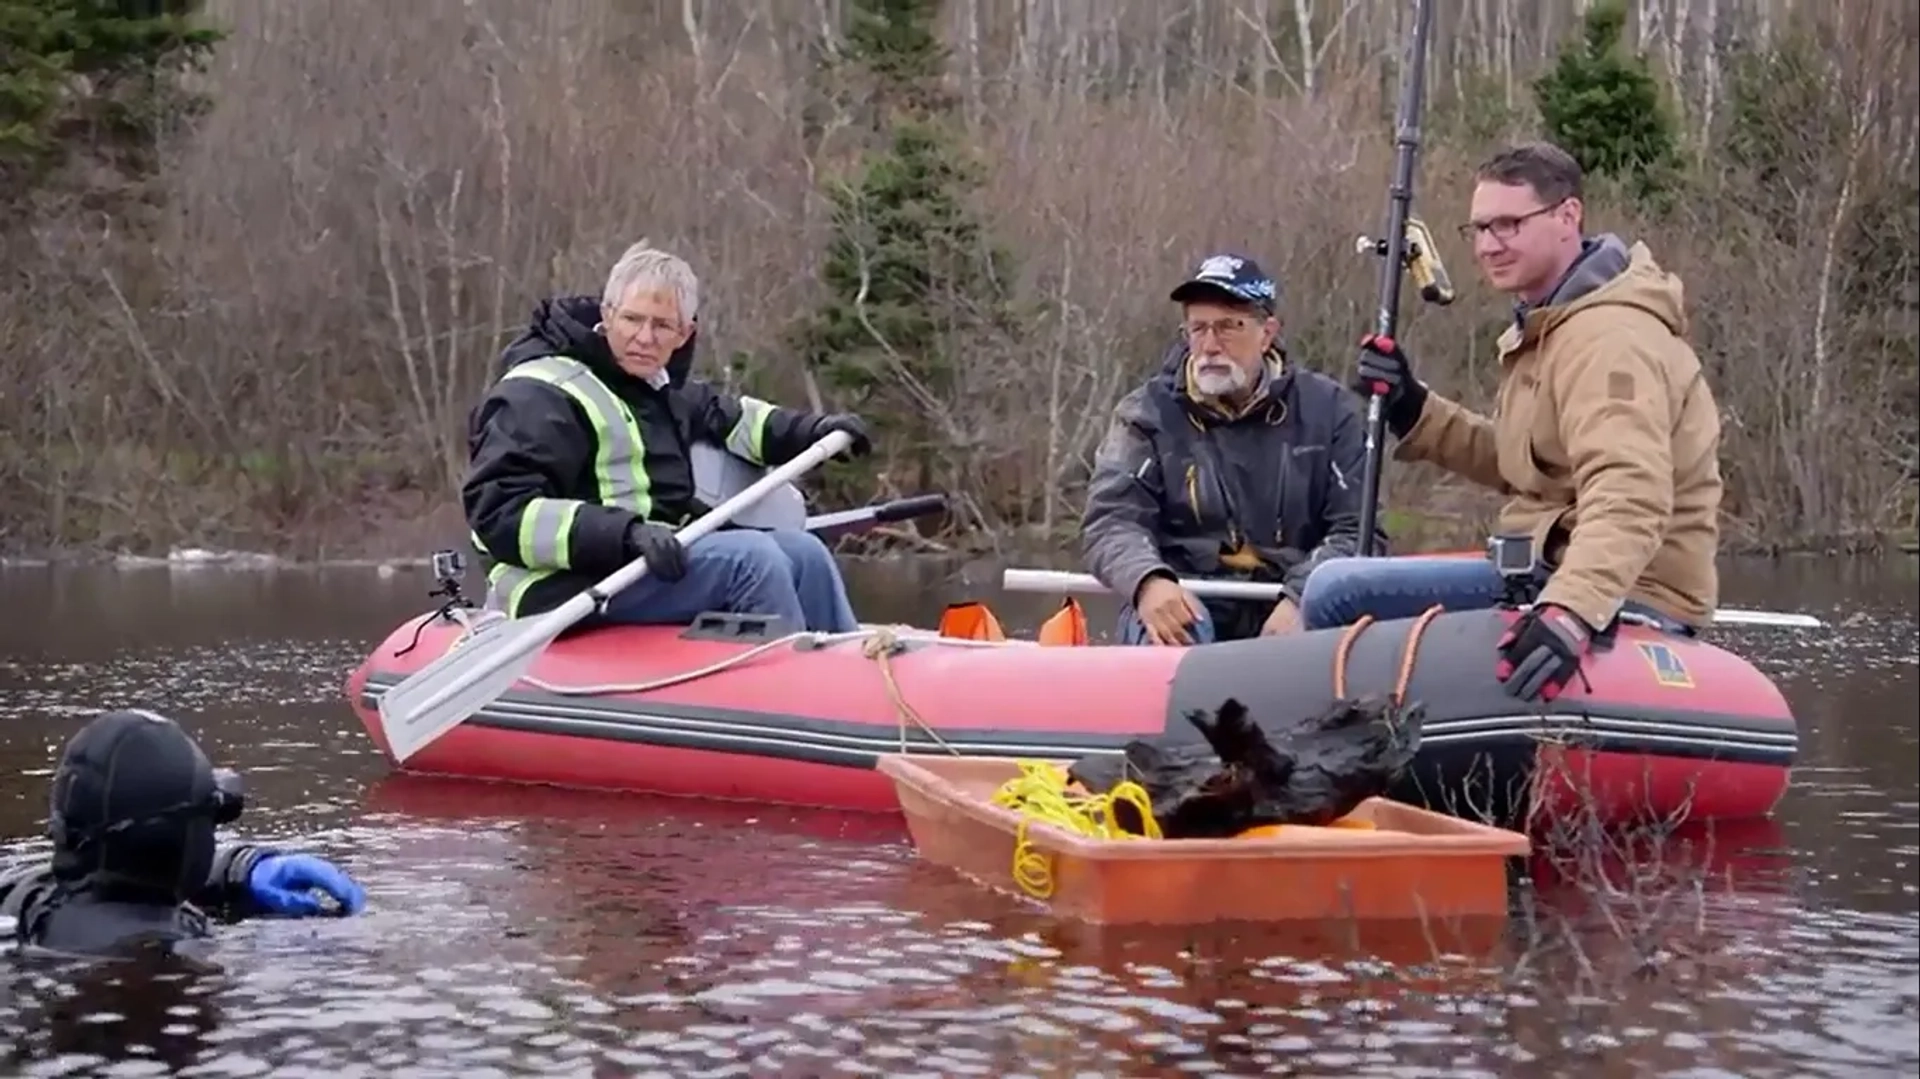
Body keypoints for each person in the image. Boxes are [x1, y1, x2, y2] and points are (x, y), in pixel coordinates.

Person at [1299, 141, 1724, 703]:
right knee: (1338, 583)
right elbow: (1526, 463)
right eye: (1477, 229)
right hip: (1546, 567)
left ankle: (1354, 743)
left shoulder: (1609, 341)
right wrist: (1412, 407)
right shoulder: (1555, 327)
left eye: (1508, 225)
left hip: (1627, 588)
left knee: (1335, 591)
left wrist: (1571, 611)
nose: (1488, 245)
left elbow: (1630, 492)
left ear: (1568, 216)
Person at [463, 242, 873, 633]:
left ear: (684, 334)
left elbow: (738, 420)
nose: (645, 338)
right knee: (753, 560)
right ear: (607, 314)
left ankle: (853, 689)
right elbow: (499, 512)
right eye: (632, 320)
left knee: (807, 554)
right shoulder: (538, 394)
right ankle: (783, 694)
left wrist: (817, 430)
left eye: (662, 326)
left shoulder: (658, 387)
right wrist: (626, 534)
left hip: (646, 564)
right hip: (562, 585)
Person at [1081, 252, 1379, 645]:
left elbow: (1359, 530)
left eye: (1228, 327)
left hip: (1289, 597)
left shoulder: (1331, 411)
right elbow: (1111, 520)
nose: (1209, 346)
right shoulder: (1145, 414)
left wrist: (1305, 596)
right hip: (1185, 593)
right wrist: (1148, 580)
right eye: (1198, 329)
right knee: (1171, 627)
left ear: (1267, 332)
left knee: (1327, 626)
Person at [0, 709, 366, 960]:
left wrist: (236, 871)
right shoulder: (176, 959)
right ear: (181, 841)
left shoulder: (28, 910)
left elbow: (108, 878)